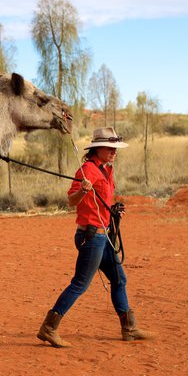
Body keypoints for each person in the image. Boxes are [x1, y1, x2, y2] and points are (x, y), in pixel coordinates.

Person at [36, 127, 153, 348]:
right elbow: (71, 200)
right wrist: (83, 191)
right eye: (110, 148)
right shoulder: (87, 170)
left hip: (103, 235)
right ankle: (49, 328)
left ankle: (129, 328)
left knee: (119, 279)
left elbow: (103, 201)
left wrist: (113, 210)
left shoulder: (107, 170)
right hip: (90, 237)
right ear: (97, 148)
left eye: (115, 148)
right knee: (80, 284)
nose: (114, 152)